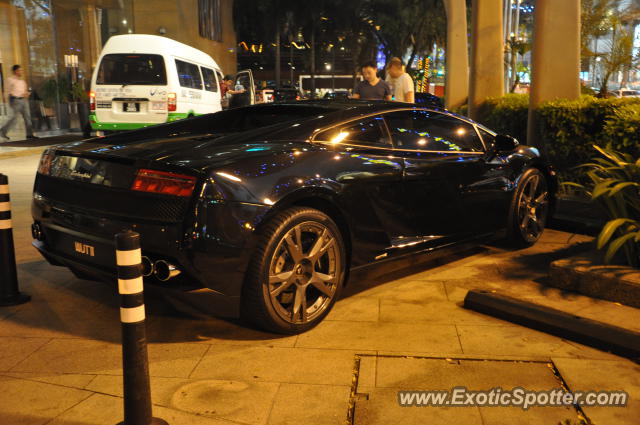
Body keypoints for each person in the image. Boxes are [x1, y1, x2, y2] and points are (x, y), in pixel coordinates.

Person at [0, 64, 37, 141]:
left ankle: (29, 135)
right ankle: (2, 131)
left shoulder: (22, 81)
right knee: (14, 118)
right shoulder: (10, 80)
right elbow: (6, 91)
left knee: (27, 118)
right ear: (15, 71)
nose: (21, 72)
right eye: (20, 70)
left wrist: (27, 93)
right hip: (15, 100)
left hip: (24, 100)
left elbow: (25, 91)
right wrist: (6, 101)